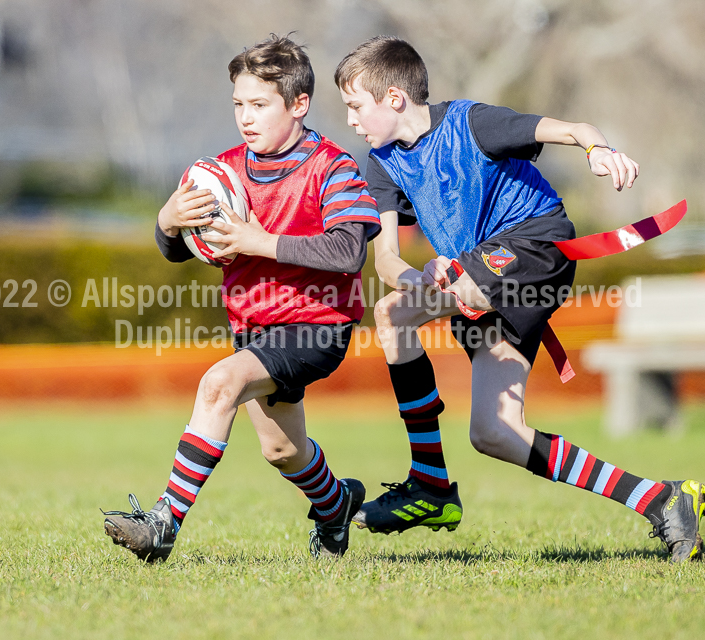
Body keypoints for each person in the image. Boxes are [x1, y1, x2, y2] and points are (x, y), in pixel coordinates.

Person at [333, 35, 704, 562]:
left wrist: (600, 151)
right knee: (495, 431)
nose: (349, 119)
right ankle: (662, 501)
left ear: (393, 97)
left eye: (354, 106)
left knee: (418, 303)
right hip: (482, 278)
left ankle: (428, 482)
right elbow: (388, 259)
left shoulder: (471, 123)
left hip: (535, 245)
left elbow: (572, 129)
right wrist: (422, 276)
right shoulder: (382, 163)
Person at [103, 34, 380, 561]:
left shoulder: (332, 166)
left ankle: (163, 522)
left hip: (319, 323)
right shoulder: (222, 170)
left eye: (259, 105)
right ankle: (337, 505)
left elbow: (349, 250)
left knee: (218, 384)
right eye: (238, 105)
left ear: (299, 106)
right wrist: (167, 220)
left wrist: (260, 241)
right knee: (282, 450)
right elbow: (177, 249)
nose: (245, 118)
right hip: (255, 327)